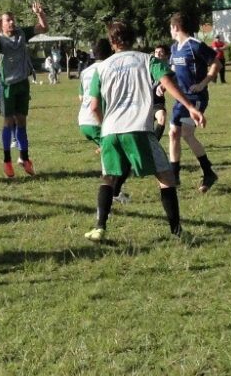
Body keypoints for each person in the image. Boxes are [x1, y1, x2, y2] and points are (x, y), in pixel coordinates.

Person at [83, 21, 205, 242]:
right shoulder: (147, 60)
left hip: (110, 131)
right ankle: (177, 231)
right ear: (133, 38)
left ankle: (99, 227)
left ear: (112, 42)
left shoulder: (101, 68)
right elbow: (167, 82)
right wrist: (189, 107)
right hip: (138, 129)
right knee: (166, 177)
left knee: (108, 178)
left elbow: (93, 106)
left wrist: (104, 128)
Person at [0, 1, 48, 177]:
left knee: (22, 122)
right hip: (7, 86)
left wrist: (39, 14)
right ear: (2, 23)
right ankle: (7, 161)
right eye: (8, 20)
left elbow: (43, 28)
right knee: (8, 123)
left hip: (23, 84)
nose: (12, 22)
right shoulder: (0, 40)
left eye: (13, 20)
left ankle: (24, 158)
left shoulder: (21, 33)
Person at [168, 12, 219, 193]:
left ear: (175, 27)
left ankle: (207, 172)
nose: (170, 31)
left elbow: (216, 63)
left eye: (170, 27)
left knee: (185, 133)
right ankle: (175, 175)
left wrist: (203, 83)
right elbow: (173, 71)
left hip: (196, 97)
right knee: (174, 133)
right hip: (181, 98)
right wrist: (162, 86)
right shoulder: (174, 48)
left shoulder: (195, 45)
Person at [78, 38, 131, 204]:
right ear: (111, 51)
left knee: (113, 154)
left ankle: (113, 192)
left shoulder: (85, 71)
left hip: (84, 120)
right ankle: (112, 194)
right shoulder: (108, 68)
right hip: (98, 119)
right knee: (120, 158)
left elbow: (81, 97)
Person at [151, 45, 170, 140]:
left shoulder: (168, 69)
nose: (157, 54)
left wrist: (163, 86)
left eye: (160, 52)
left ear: (166, 56)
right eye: (156, 52)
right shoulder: (148, 66)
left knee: (162, 117)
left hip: (157, 102)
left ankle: (154, 144)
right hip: (144, 102)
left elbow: (172, 79)